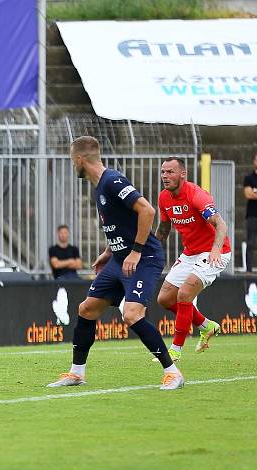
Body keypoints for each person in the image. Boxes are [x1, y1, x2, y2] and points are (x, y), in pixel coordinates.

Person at [47, 136, 184, 391]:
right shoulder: (100, 186)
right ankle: (77, 373)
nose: (72, 165)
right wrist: (110, 252)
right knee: (87, 309)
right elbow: (122, 224)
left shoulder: (112, 180)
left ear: (80, 160)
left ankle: (173, 373)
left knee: (131, 314)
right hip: (119, 259)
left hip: (143, 258)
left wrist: (134, 252)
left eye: (71, 161)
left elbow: (147, 211)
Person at [154, 157, 230, 361]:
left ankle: (175, 351)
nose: (165, 176)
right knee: (164, 299)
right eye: (163, 172)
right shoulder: (164, 198)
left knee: (185, 294)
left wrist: (215, 249)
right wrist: (149, 252)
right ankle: (207, 326)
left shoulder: (196, 195)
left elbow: (221, 224)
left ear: (183, 174)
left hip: (215, 251)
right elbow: (163, 229)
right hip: (191, 252)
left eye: (170, 172)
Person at [244, 153, 257, 273]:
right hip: (252, 216)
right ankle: (249, 270)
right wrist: (252, 194)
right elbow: (248, 194)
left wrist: (255, 193)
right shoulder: (249, 178)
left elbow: (252, 194)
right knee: (251, 243)